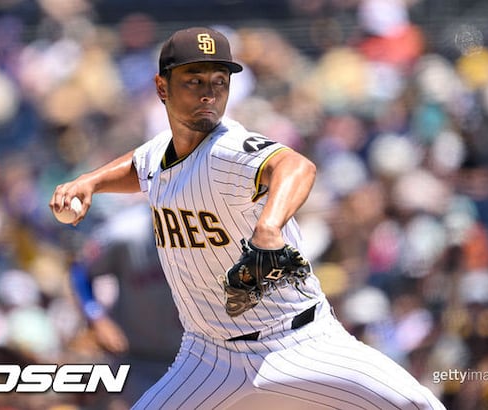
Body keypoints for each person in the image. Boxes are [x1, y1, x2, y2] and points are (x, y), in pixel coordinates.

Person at [50, 26, 445, 409]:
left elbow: (296, 166)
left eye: (219, 82)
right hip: (207, 358)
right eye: (194, 80)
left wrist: (269, 225)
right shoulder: (160, 151)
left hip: (298, 344)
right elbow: (141, 166)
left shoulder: (228, 148)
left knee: (417, 404)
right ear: (162, 87)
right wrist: (90, 182)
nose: (209, 93)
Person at [69, 201, 183, 407]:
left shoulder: (214, 229)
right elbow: (80, 272)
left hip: (199, 356)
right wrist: (97, 317)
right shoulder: (123, 231)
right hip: (140, 359)